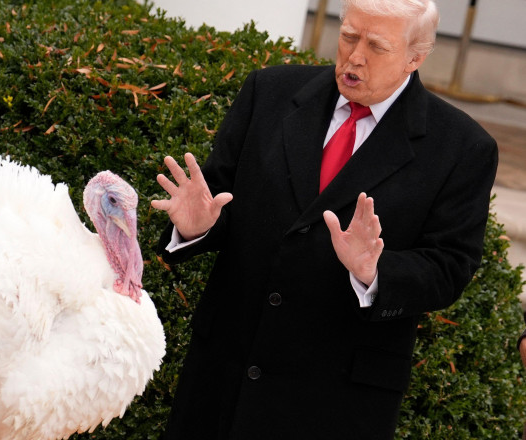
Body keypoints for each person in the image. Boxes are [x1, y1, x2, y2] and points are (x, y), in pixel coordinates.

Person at [151, 0, 497, 438]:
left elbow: (450, 266)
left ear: (416, 57)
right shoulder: (269, 92)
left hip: (337, 399)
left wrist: (375, 271)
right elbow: (221, 200)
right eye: (349, 36)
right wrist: (196, 227)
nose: (355, 56)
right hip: (225, 376)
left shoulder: (461, 147)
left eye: (377, 46)